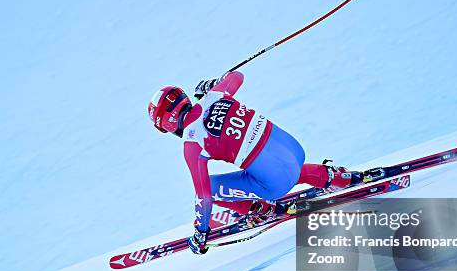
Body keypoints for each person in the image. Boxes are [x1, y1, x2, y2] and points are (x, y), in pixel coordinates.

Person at [147, 72, 373, 254]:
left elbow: (204, 195)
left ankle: (261, 210)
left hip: (276, 183)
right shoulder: (215, 95)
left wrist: (201, 233)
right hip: (295, 151)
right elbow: (237, 76)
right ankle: (333, 177)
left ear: (166, 124)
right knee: (268, 160)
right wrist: (213, 83)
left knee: (214, 187)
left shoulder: (192, 143)